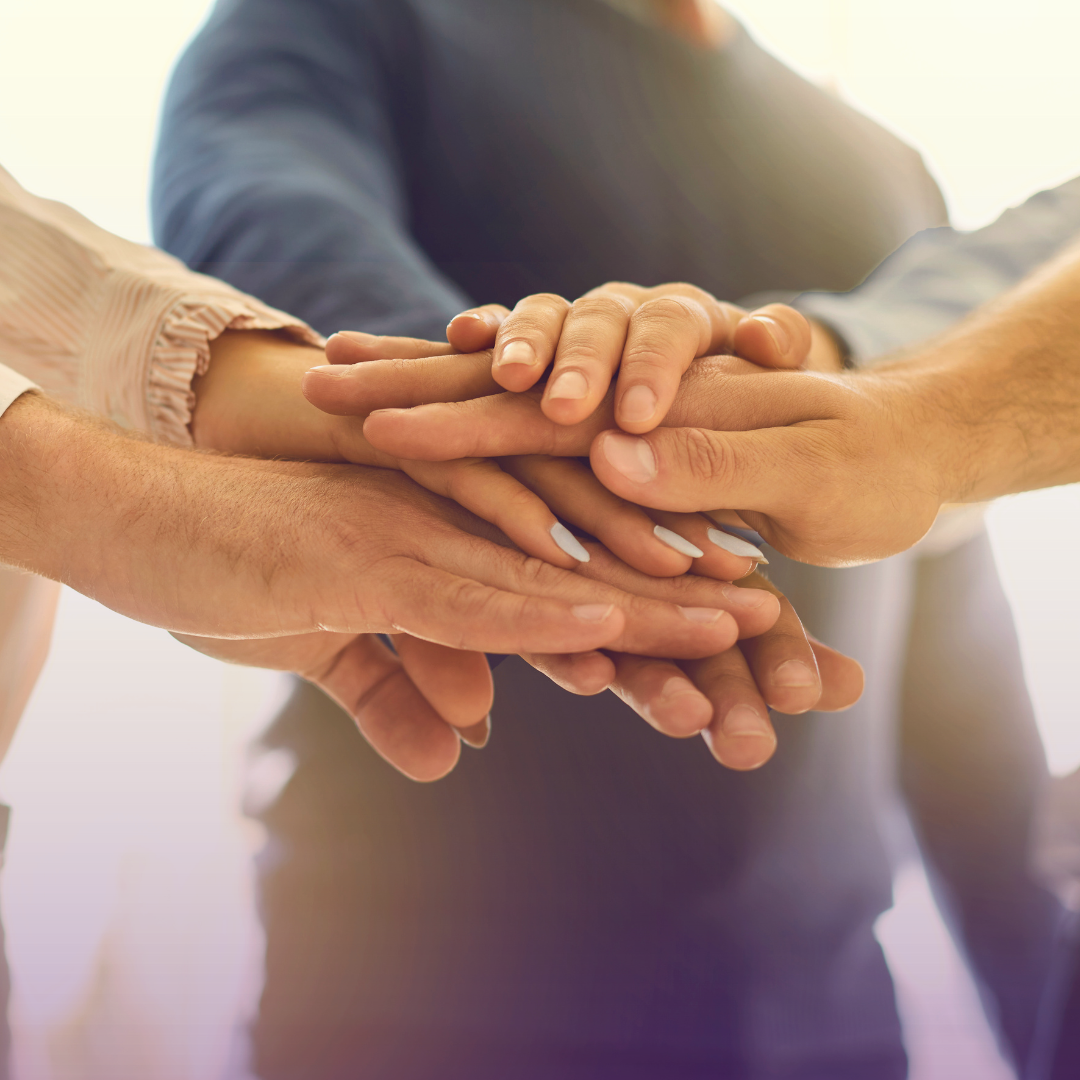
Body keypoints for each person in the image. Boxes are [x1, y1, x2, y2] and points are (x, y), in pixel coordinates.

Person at [153, 1, 1059, 1076]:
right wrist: (535, 447)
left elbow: (948, 631)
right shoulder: (343, 23)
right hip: (421, 1002)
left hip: (827, 1022)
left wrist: (1041, 998)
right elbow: (277, 253)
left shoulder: (882, 167)